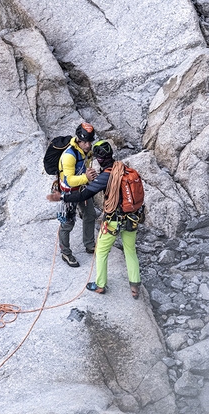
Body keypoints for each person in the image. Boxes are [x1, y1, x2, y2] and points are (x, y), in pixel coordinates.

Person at [47, 140, 142, 299]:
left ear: (99, 159)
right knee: (130, 251)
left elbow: (84, 194)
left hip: (114, 221)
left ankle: (100, 285)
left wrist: (62, 196)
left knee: (101, 252)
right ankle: (135, 287)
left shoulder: (106, 176)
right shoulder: (123, 168)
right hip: (132, 218)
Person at [57, 122, 97, 268]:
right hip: (69, 192)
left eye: (90, 141)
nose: (88, 145)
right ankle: (65, 252)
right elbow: (69, 180)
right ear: (78, 140)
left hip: (82, 189)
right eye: (85, 142)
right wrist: (87, 178)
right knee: (67, 223)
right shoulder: (69, 156)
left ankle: (89, 244)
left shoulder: (87, 151)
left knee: (90, 214)